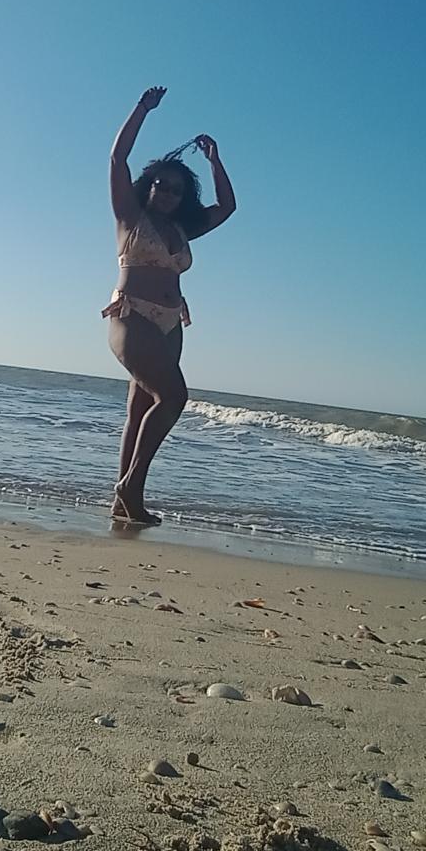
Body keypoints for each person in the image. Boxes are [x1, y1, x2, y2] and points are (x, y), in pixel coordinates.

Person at [104, 86, 237, 524]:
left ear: (183, 197)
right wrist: (142, 109)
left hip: (169, 323)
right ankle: (131, 487)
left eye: (175, 190)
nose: (165, 192)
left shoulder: (183, 229)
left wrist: (215, 160)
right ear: (149, 186)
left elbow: (227, 207)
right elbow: (118, 159)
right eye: (160, 184)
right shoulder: (130, 217)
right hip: (132, 315)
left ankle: (123, 501)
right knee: (174, 397)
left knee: (141, 409)